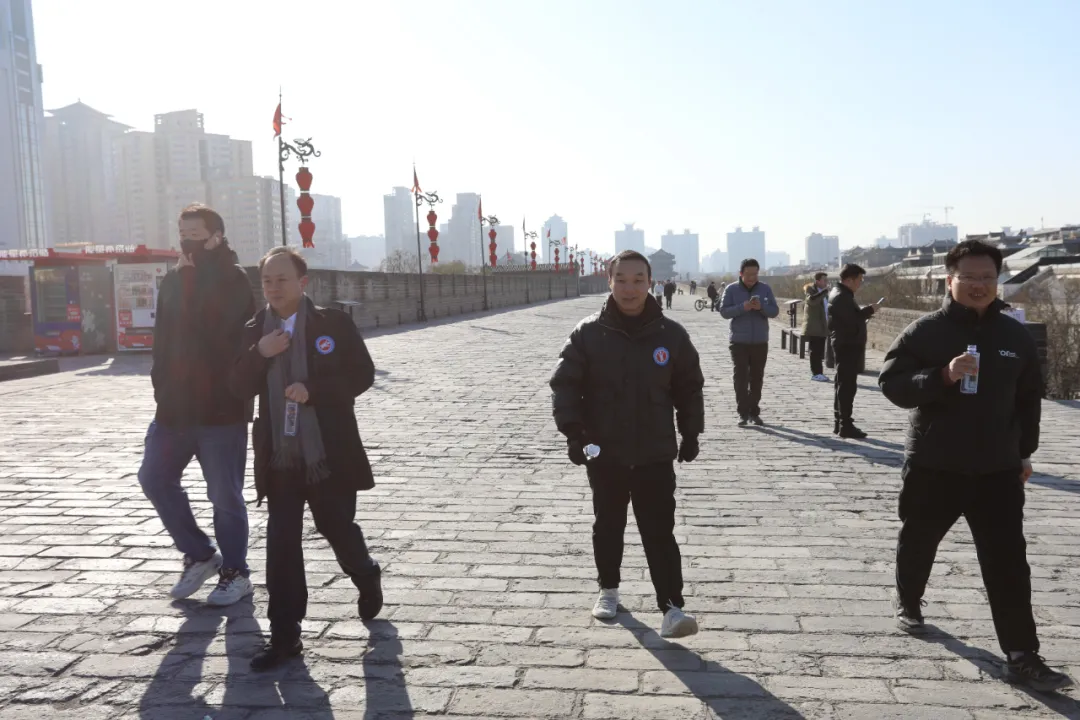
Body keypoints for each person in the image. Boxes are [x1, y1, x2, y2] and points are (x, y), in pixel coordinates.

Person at [879, 239, 1073, 692]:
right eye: (969, 277)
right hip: (935, 463)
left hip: (996, 469)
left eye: (988, 277)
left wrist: (1024, 453)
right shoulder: (925, 331)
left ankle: (1022, 656)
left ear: (997, 280)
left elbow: (1028, 400)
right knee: (919, 539)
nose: (979, 285)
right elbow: (893, 384)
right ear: (950, 280)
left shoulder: (1014, 336)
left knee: (1008, 562)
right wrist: (942, 376)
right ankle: (909, 599)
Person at [230, 247, 383, 671]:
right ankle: (285, 635)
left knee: (335, 527)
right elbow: (237, 386)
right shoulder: (254, 330)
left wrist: (313, 389)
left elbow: (361, 375)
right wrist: (260, 353)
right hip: (280, 456)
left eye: (282, 279)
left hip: (327, 451)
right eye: (266, 280)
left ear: (302, 282)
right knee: (281, 541)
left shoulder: (332, 323)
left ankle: (365, 571)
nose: (273, 287)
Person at [549, 250, 704, 639]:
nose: (629, 289)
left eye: (638, 280)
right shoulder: (588, 333)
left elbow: (689, 387)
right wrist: (574, 433)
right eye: (621, 280)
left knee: (659, 530)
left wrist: (690, 433)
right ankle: (609, 589)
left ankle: (672, 607)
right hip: (605, 451)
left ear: (650, 283)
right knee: (608, 524)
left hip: (654, 451)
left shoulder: (671, 335)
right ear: (609, 281)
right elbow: (565, 385)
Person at [138, 204, 255, 606]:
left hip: (221, 409)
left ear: (216, 237)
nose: (187, 241)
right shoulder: (174, 279)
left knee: (225, 495)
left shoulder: (235, 280)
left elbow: (217, 335)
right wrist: (161, 386)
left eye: (195, 234)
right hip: (174, 408)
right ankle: (200, 554)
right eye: (183, 233)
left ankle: (236, 572)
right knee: (154, 478)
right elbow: (164, 337)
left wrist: (191, 282)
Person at [719, 259, 779, 426]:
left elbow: (775, 311)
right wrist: (742, 307)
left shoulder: (765, 289)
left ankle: (754, 411)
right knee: (741, 377)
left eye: (755, 274)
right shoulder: (731, 289)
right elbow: (723, 311)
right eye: (748, 274)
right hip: (739, 341)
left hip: (760, 341)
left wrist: (761, 308)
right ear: (741, 274)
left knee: (757, 378)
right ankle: (743, 413)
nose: (752, 278)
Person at [827, 264, 878, 438]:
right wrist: (869, 310)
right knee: (846, 386)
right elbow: (851, 321)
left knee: (842, 384)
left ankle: (840, 421)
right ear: (849, 280)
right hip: (847, 345)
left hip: (845, 343)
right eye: (859, 280)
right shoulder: (841, 296)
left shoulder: (840, 293)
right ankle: (845, 424)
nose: (860, 283)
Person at [803, 272, 830, 382]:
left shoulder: (824, 293)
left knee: (820, 351)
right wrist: (824, 292)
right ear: (817, 281)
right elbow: (812, 301)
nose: (826, 282)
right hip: (814, 326)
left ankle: (819, 373)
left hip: (822, 326)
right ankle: (816, 373)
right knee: (815, 351)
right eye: (824, 280)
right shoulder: (811, 290)